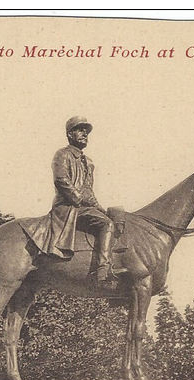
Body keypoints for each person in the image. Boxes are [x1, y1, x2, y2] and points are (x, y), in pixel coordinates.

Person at [51, 116, 116, 287]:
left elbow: (88, 189)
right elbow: (61, 180)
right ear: (70, 134)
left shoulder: (88, 162)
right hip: (68, 207)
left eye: (86, 131)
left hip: (83, 206)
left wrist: (99, 208)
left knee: (112, 217)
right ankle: (103, 271)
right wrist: (79, 199)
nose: (85, 133)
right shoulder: (62, 154)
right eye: (80, 129)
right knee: (107, 224)